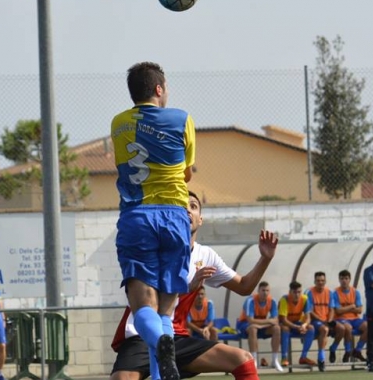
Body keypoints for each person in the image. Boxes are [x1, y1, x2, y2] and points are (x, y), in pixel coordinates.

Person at [110, 191, 282, 380]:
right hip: (140, 335)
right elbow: (147, 299)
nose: (187, 211)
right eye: (182, 206)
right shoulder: (155, 248)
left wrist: (265, 258)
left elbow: (244, 287)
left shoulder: (205, 255)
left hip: (175, 337)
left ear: (200, 219)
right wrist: (188, 287)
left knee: (243, 359)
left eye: (193, 206)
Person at [111, 61, 196, 380]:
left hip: (136, 216)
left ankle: (161, 344)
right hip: (175, 215)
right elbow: (187, 172)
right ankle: (163, 355)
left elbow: (124, 164)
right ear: (159, 89)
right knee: (166, 309)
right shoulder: (182, 119)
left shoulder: (118, 123)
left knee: (142, 306)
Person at [236, 281, 282, 370]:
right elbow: (251, 320)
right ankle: (254, 360)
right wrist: (268, 321)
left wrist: (261, 325)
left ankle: (275, 360)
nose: (265, 293)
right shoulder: (251, 300)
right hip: (244, 324)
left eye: (267, 290)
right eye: (263, 290)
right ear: (258, 291)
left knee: (277, 328)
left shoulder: (272, 301)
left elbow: (276, 320)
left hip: (261, 326)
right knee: (253, 329)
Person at [329, 270, 367, 364]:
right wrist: (351, 306)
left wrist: (345, 309)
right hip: (341, 319)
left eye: (346, 278)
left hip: (355, 318)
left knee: (368, 326)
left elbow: (360, 310)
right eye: (342, 278)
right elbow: (338, 311)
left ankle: (357, 350)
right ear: (339, 279)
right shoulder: (335, 293)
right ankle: (347, 351)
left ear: (349, 279)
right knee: (348, 328)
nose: (344, 281)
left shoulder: (355, 292)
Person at [278, 281, 317, 368]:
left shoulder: (305, 299)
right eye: (294, 292)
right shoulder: (284, 299)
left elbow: (308, 317)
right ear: (290, 292)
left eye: (299, 292)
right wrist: (297, 327)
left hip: (296, 324)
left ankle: (303, 357)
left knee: (311, 328)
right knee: (285, 328)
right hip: (285, 324)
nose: (297, 295)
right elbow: (283, 320)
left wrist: (304, 325)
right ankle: (284, 357)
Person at [305, 271, 336, 371]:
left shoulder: (329, 292)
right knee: (325, 330)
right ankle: (321, 358)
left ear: (325, 281)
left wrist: (330, 320)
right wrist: (322, 320)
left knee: (342, 328)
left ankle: (337, 350)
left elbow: (331, 309)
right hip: (315, 321)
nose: (320, 282)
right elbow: (309, 311)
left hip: (326, 320)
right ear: (314, 281)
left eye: (322, 280)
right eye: (318, 280)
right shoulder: (309, 292)